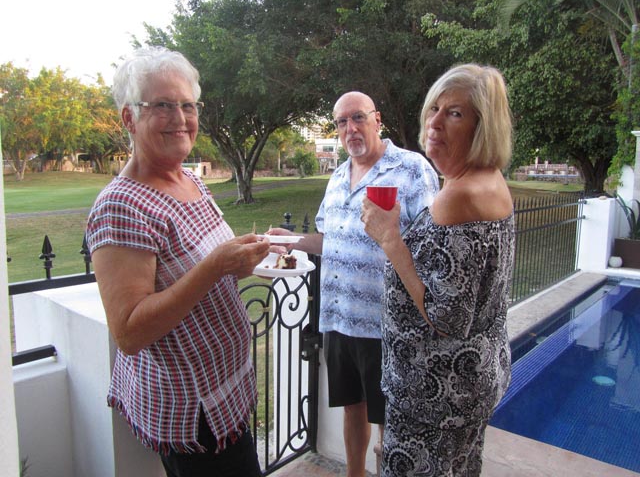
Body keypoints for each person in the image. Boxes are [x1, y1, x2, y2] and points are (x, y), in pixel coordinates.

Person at [85, 47, 270, 477]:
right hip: (192, 412)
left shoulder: (189, 179)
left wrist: (240, 259)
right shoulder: (121, 206)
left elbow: (203, 263)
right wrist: (216, 266)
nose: (181, 118)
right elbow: (129, 331)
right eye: (163, 106)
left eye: (188, 105)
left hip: (227, 394)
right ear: (129, 118)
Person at [270, 91, 439, 477]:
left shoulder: (411, 169)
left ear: (377, 119)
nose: (350, 128)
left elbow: (430, 244)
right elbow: (330, 240)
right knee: (352, 407)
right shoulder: (336, 177)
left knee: (389, 418)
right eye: (342, 122)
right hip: (339, 319)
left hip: (388, 324)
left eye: (358, 117)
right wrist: (291, 240)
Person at [361, 63, 515, 476]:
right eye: (434, 109)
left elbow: (447, 316)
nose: (435, 122)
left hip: (434, 394)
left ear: (482, 128)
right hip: (471, 382)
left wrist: (390, 239)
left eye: (455, 113)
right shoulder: (490, 179)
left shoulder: (458, 197)